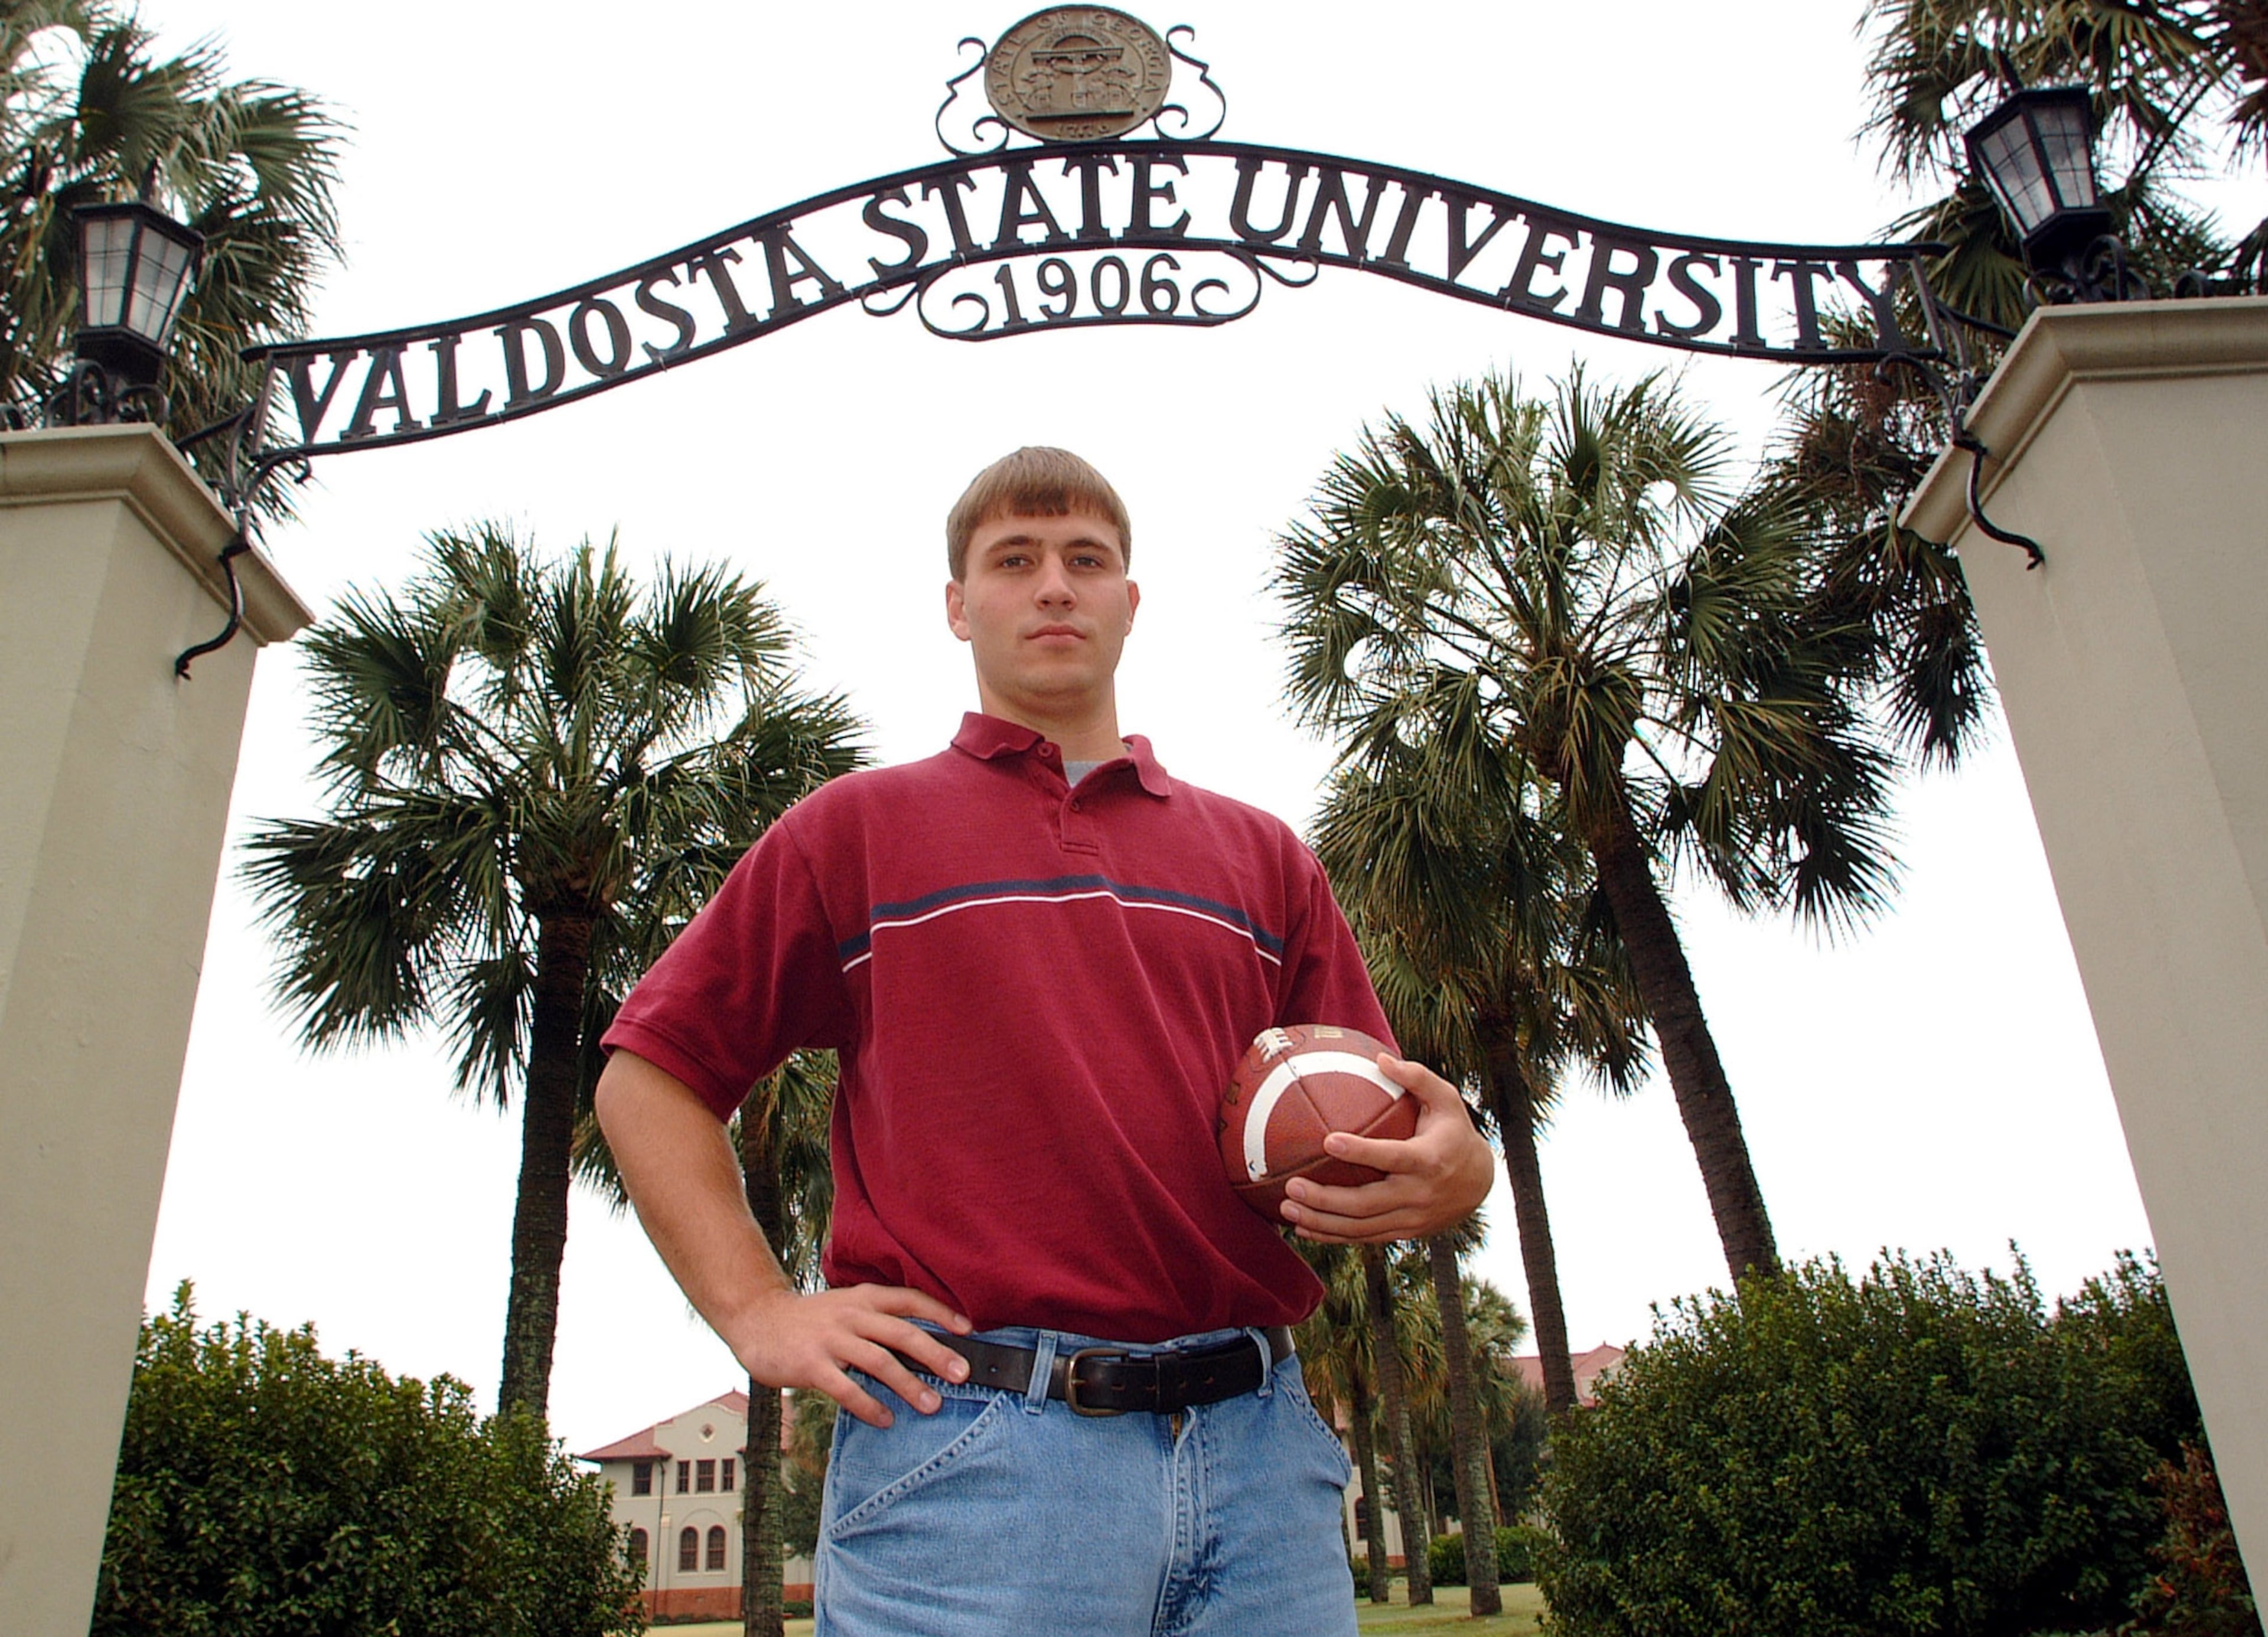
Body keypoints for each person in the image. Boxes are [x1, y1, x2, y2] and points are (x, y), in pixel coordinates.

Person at [594, 447, 1495, 1636]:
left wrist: (1460, 1164)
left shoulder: (1262, 856)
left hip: (1262, 1458)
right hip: (973, 1456)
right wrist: (759, 1309)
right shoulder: (857, 831)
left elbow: (1383, 1117)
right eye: (1013, 561)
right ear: (959, 606)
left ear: (1131, 600)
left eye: (1087, 560)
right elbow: (651, 1074)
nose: (1054, 586)